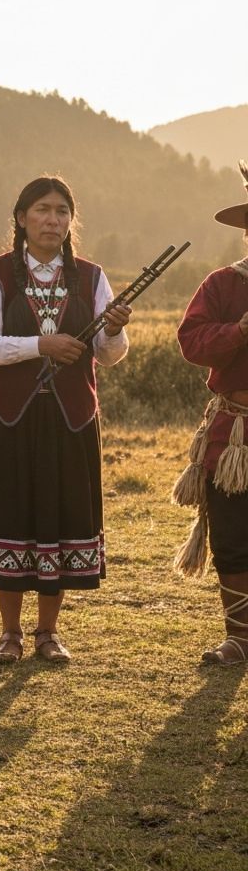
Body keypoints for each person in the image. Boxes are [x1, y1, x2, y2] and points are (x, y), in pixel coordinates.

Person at [0, 176, 131, 663]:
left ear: (72, 221)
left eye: (62, 212)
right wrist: (41, 345)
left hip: (70, 420)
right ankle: (9, 633)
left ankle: (47, 633)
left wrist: (113, 332)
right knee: (11, 516)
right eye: (42, 210)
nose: (53, 220)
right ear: (21, 218)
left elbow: (108, 355)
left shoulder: (92, 277)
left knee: (59, 519)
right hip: (8, 418)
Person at [173, 161, 248, 664]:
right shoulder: (222, 284)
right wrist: (240, 331)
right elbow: (191, 341)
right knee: (234, 537)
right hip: (233, 437)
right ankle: (241, 640)